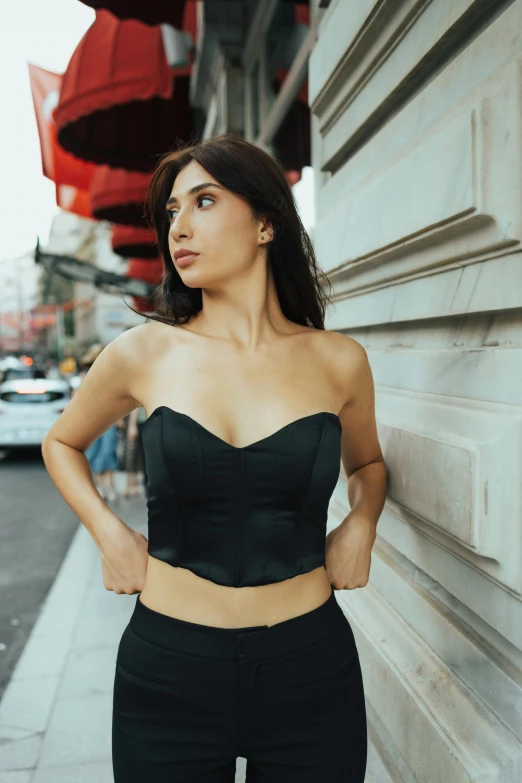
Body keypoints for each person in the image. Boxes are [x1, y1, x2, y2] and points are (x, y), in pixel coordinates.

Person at [41, 133, 388, 782]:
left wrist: (363, 520)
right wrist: (107, 530)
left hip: (310, 667)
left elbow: (367, 465)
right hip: (168, 670)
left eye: (203, 201)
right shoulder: (143, 353)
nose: (179, 227)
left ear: (265, 223)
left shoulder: (339, 361)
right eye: (172, 212)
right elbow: (61, 442)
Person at [74, 343, 120, 502]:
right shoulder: (85, 375)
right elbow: (79, 397)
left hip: (109, 418)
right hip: (91, 419)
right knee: (95, 453)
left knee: (108, 451)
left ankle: (111, 486)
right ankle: (101, 487)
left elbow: (117, 396)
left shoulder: (110, 373)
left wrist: (120, 418)